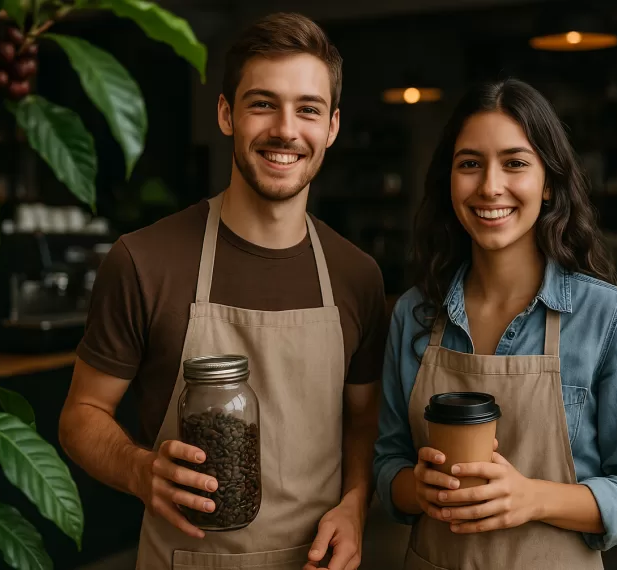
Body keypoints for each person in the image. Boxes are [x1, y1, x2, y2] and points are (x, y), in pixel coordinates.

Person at [59, 12, 386, 570]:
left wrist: (355, 504)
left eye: (308, 109)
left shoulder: (357, 276)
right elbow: (81, 415)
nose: (286, 129)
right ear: (226, 114)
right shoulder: (144, 260)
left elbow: (362, 421)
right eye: (262, 103)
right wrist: (140, 471)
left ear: (331, 127)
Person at [373, 78, 617, 569]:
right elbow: (389, 464)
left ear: (548, 182)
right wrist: (418, 489)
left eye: (515, 163)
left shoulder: (608, 318)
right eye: (470, 164)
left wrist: (531, 498)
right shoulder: (414, 314)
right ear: (449, 181)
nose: (491, 186)